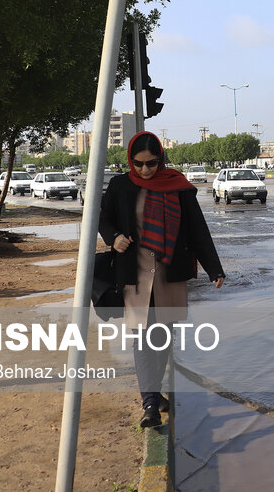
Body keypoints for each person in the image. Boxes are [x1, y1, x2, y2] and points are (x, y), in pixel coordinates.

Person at [99, 131, 226, 429]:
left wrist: (214, 269)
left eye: (152, 163)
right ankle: (150, 404)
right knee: (143, 338)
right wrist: (114, 237)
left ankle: (153, 392)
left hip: (171, 273)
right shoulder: (120, 186)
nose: (145, 170)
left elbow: (197, 229)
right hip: (136, 272)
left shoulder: (177, 186)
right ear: (130, 160)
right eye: (139, 163)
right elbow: (102, 218)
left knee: (163, 338)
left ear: (161, 159)